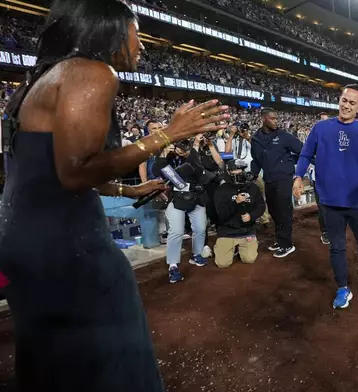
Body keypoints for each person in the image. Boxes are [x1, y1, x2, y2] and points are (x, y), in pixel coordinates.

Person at [0, 1, 229, 390]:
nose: (141, 46)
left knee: (53, 366)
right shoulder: (92, 72)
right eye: (136, 34)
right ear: (108, 32)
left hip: (27, 244)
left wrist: (125, 188)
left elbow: (47, 169)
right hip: (68, 248)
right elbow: (75, 171)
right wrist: (166, 135)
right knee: (112, 365)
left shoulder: (32, 85)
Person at [294, 84, 358, 309]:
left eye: (352, 103)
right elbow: (305, 154)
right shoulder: (320, 128)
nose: (347, 105)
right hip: (330, 202)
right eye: (344, 100)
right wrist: (297, 176)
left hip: (356, 201)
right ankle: (342, 287)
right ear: (339, 100)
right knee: (337, 247)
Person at [153, 134, 224, 283]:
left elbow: (196, 164)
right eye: (177, 146)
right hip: (178, 199)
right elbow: (158, 170)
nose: (179, 149)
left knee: (200, 228)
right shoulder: (169, 160)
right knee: (176, 232)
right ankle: (173, 265)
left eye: (183, 147)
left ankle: (197, 254)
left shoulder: (193, 157)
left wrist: (194, 147)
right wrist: (164, 154)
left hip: (197, 196)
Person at [251, 107, 302, 258]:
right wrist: (252, 174)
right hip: (269, 179)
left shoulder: (284, 135)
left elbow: (301, 149)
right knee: (273, 211)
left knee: (284, 211)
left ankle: (287, 244)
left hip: (284, 178)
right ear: (263, 119)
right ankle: (281, 240)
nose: (275, 121)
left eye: (276, 118)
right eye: (272, 119)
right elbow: (256, 160)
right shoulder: (256, 138)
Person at [213, 160, 266, 268]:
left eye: (240, 170)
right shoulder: (221, 190)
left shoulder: (253, 187)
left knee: (249, 259)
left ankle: (248, 243)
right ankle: (227, 246)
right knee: (222, 263)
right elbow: (221, 214)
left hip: (247, 231)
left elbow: (261, 206)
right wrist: (235, 203)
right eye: (234, 171)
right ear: (228, 172)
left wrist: (252, 216)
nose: (238, 173)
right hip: (227, 231)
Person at [310, 112, 330, 244]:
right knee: (323, 208)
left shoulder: (335, 138)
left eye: (326, 120)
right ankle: (325, 232)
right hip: (318, 179)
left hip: (334, 179)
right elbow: (307, 155)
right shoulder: (314, 138)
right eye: (321, 120)